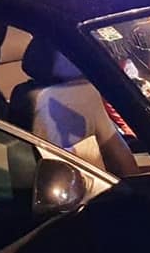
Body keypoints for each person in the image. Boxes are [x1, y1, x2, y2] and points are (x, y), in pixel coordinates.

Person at [9, 38, 139, 178]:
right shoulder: (83, 95)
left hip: (58, 186)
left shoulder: (22, 94)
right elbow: (125, 167)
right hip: (79, 188)